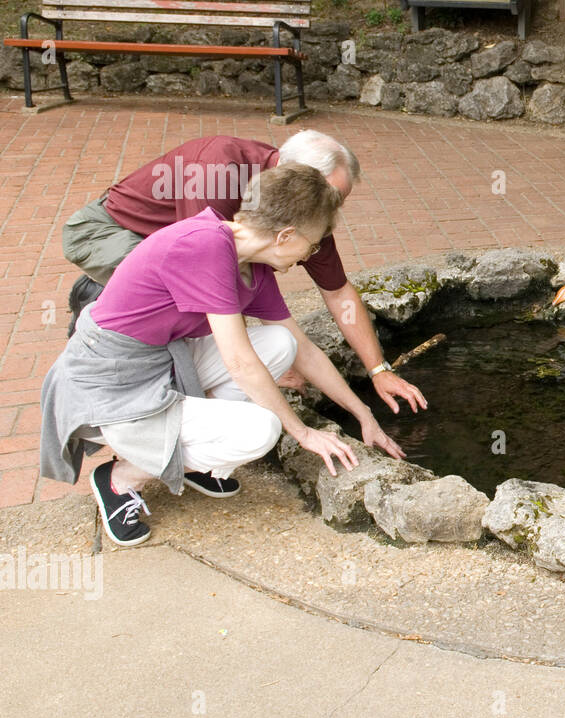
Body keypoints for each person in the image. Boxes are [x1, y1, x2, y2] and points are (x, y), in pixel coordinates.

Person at [40, 163, 404, 547]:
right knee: (261, 429)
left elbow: (306, 352)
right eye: (311, 245)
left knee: (282, 344)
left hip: (163, 359)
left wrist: (363, 414)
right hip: (113, 378)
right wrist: (301, 432)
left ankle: (193, 456)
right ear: (284, 236)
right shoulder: (205, 245)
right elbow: (240, 362)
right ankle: (120, 479)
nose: (309, 255)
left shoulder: (254, 266)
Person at [61, 129, 427, 441]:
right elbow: (205, 284)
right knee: (194, 307)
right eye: (328, 198)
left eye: (338, 202)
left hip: (194, 252)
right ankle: (145, 398)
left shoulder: (306, 215)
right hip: (114, 230)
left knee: (255, 317)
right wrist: (256, 367)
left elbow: (337, 291)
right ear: (293, 179)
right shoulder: (220, 170)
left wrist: (379, 370)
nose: (332, 210)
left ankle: (195, 403)